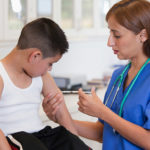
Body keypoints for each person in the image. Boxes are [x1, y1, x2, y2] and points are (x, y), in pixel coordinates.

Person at [43, 0, 150, 149]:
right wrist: (61, 118)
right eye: (109, 32)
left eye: (117, 35)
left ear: (142, 35)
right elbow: (102, 132)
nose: (109, 42)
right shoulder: (118, 76)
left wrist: (102, 112)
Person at [0, 18, 91, 150]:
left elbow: (60, 111)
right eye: (50, 64)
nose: (50, 69)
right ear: (35, 56)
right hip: (12, 139)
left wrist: (76, 144)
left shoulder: (41, 75)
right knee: (28, 142)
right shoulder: (2, 76)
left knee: (67, 138)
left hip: (41, 136)